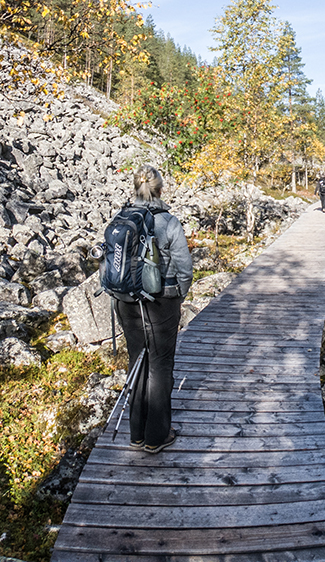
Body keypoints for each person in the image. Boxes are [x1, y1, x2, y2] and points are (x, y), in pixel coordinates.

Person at [113, 164, 193, 453]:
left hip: (125, 301)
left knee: (137, 361)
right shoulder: (169, 221)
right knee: (160, 365)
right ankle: (157, 437)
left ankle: (136, 434)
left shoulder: (121, 217)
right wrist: (181, 294)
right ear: (161, 189)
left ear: (135, 188)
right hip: (162, 301)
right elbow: (184, 267)